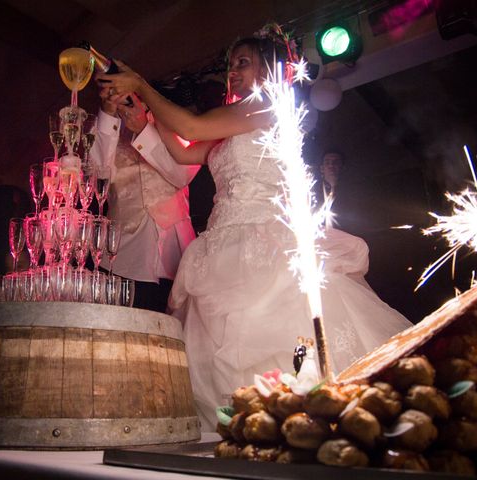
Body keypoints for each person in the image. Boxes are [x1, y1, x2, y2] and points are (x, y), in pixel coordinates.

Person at [101, 33, 412, 430]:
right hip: (221, 245)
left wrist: (142, 85)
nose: (233, 72)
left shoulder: (265, 106)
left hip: (264, 242)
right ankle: (251, 436)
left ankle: (304, 428)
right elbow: (184, 151)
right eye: (231, 65)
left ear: (269, 67)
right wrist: (143, 116)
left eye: (243, 63)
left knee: (278, 346)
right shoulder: (232, 124)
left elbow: (192, 126)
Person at [88, 82, 200, 313]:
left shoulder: (176, 127)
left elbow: (181, 174)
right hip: (122, 253)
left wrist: (143, 129)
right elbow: (97, 180)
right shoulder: (106, 130)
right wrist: (108, 114)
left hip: (174, 251)